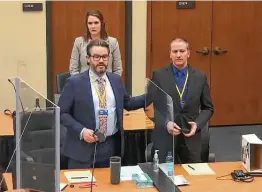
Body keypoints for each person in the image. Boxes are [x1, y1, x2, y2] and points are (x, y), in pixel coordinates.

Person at [59, 39, 145, 169]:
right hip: (82, 150)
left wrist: (151, 96)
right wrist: (81, 131)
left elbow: (127, 102)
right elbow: (62, 113)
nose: (101, 60)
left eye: (104, 57)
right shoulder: (74, 83)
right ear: (88, 59)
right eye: (96, 57)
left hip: (109, 147)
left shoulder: (115, 80)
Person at [150, 38, 214, 163]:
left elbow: (208, 108)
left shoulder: (200, 76)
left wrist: (198, 124)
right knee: (164, 175)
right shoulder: (158, 75)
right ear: (170, 54)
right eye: (174, 51)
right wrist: (165, 123)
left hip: (191, 135)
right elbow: (151, 107)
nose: (178, 55)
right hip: (167, 135)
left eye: (182, 51)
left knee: (194, 176)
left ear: (188, 53)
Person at [69, 10, 122, 76]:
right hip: (84, 83)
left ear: (102, 24)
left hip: (106, 83)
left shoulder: (113, 42)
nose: (93, 26)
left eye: (96, 23)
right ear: (87, 25)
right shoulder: (79, 42)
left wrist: (110, 83)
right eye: (90, 23)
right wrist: (81, 83)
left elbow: (118, 70)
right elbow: (73, 69)